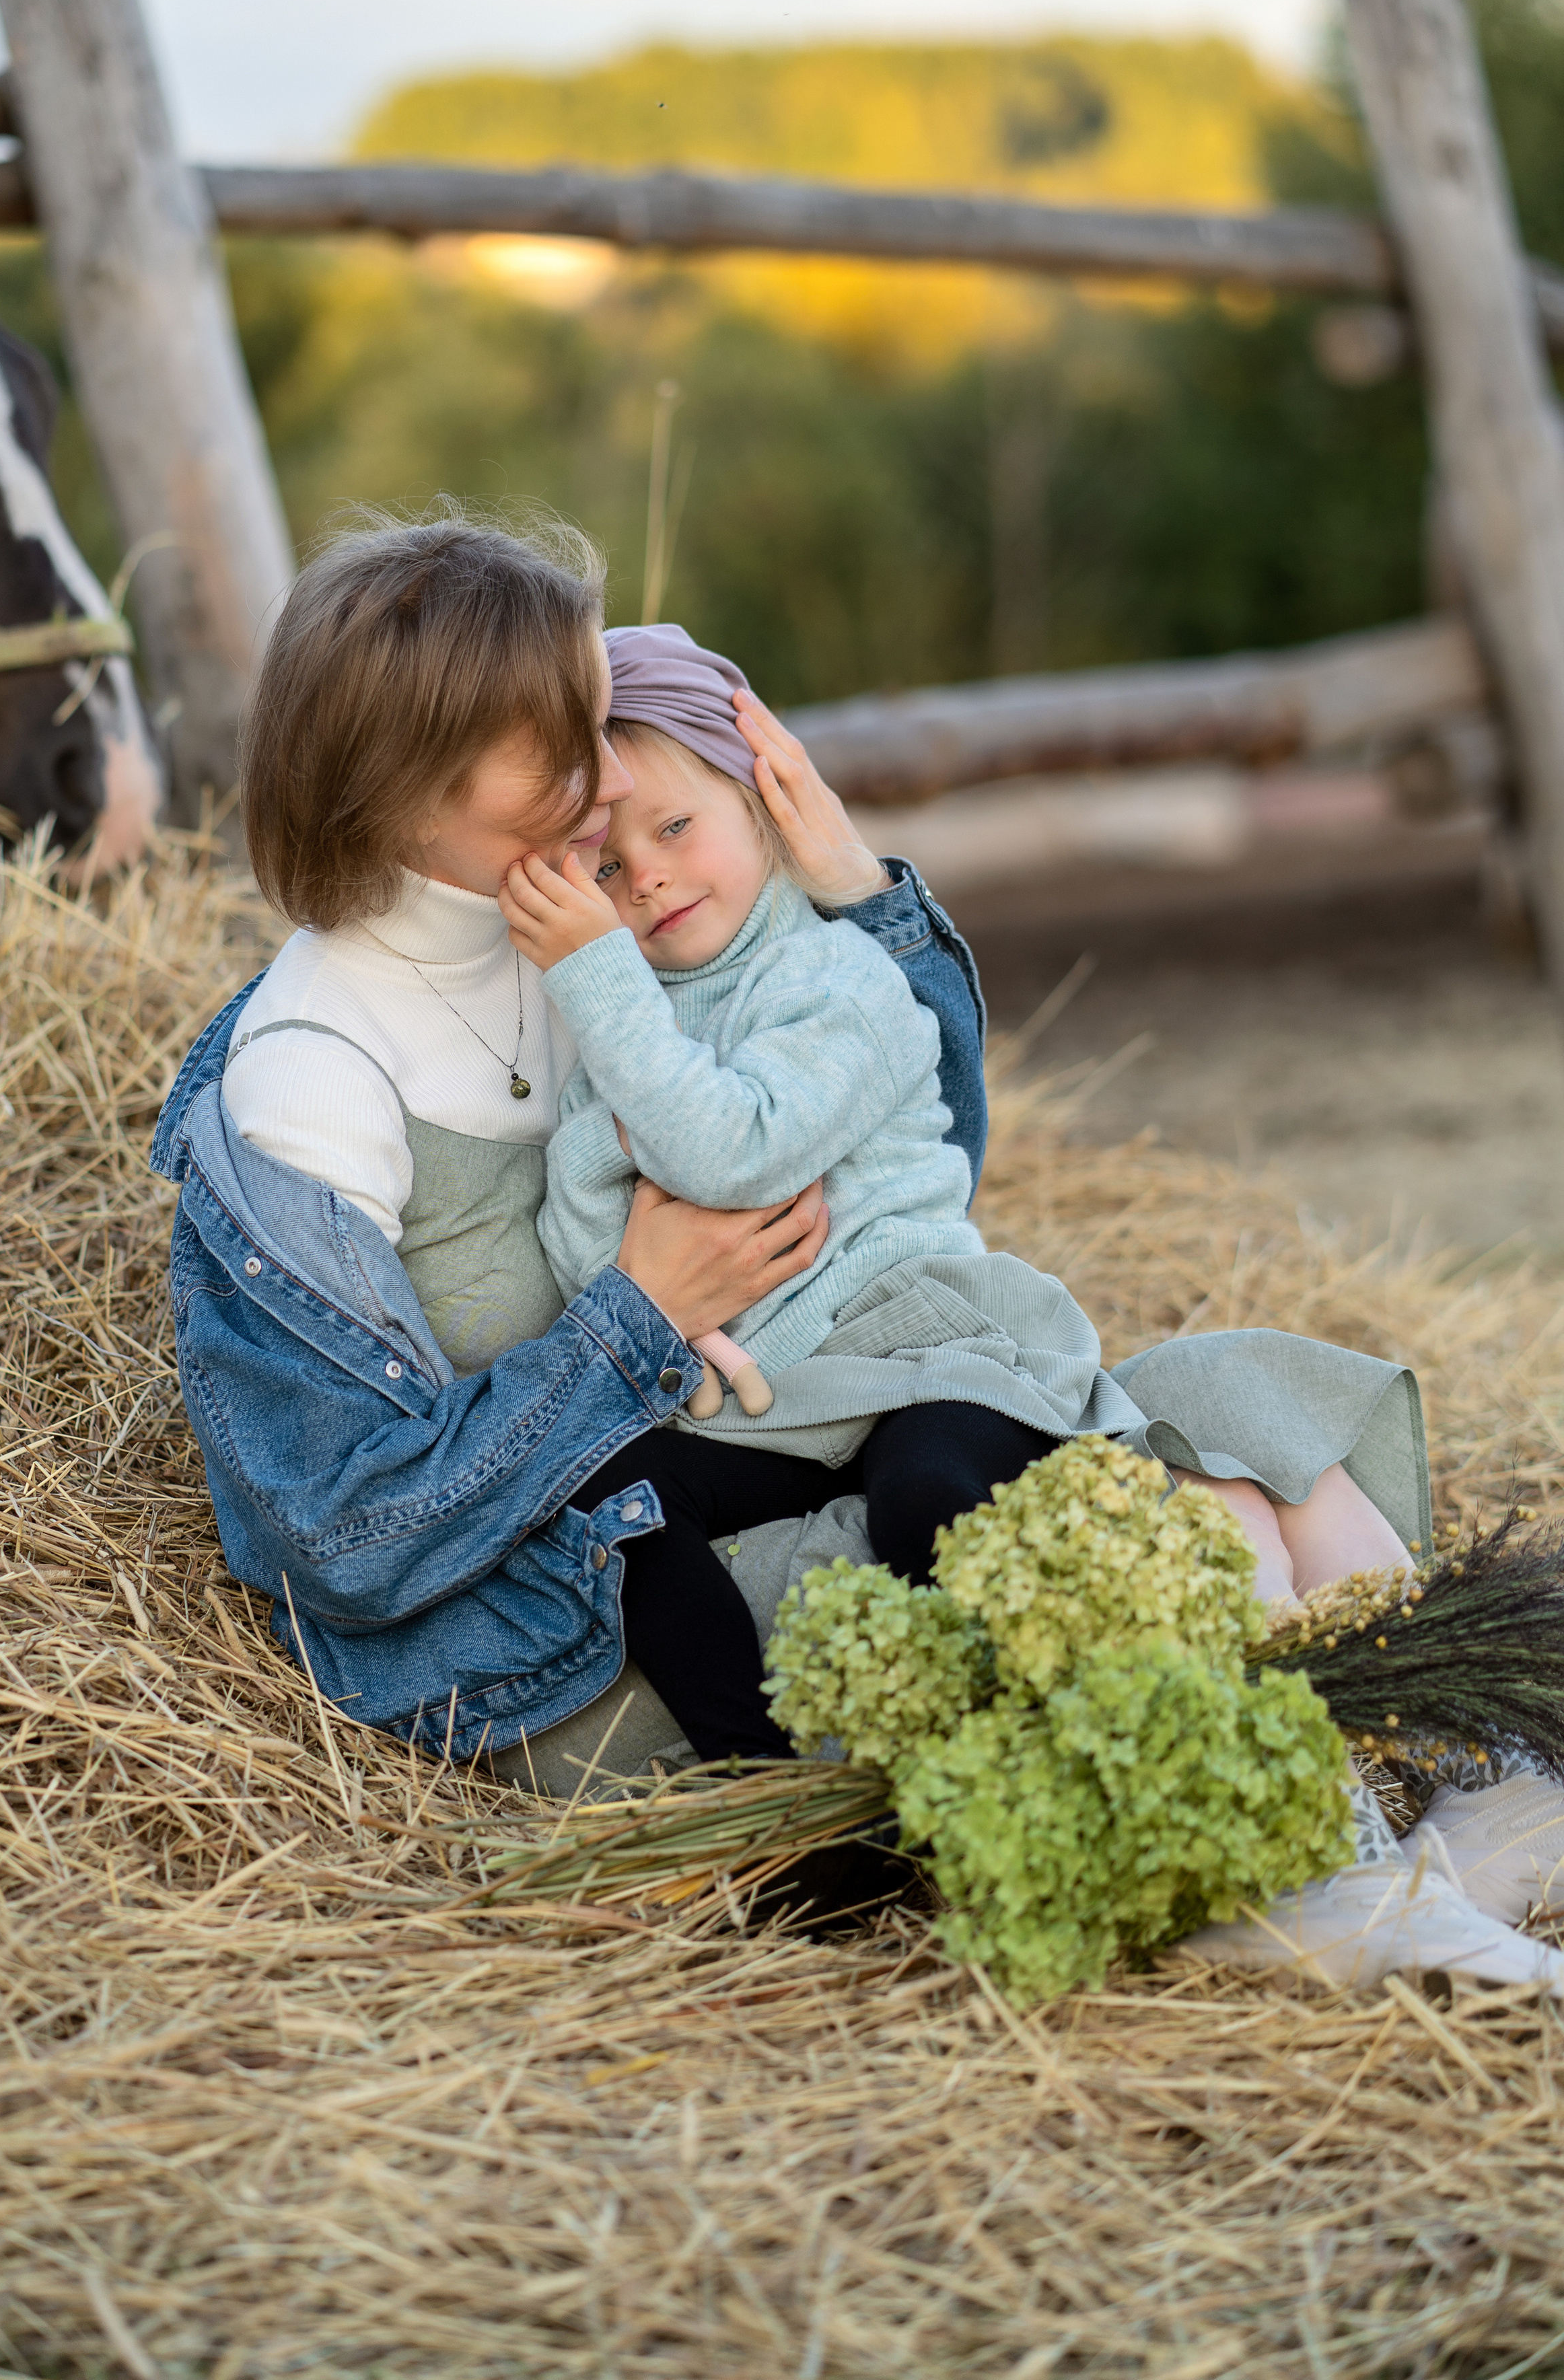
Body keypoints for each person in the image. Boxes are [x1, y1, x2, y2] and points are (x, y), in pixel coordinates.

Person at [149, 510, 1559, 1980]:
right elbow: (338, 1536)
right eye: (556, 728)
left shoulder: (561, 921)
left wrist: (857, 900)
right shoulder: (308, 1074)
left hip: (774, 1432)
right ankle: (1305, 1887)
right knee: (1121, 1504)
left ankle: (1430, 1814)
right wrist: (635, 1313)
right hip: (596, 1624)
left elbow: (902, 1155)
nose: (604, 755)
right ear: (408, 775)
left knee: (1226, 1412)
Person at [508, 623, 1416, 1764]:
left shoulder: (842, 980)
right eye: (601, 868)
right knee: (612, 1494)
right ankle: (764, 1782)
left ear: (767, 805)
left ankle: (1098, 1707)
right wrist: (651, 1273)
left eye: (677, 825)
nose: (643, 876)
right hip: (778, 1394)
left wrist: (600, 989)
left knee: (925, 1498)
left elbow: (733, 1152)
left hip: (923, 1340)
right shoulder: (623, 1019)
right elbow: (581, 1233)